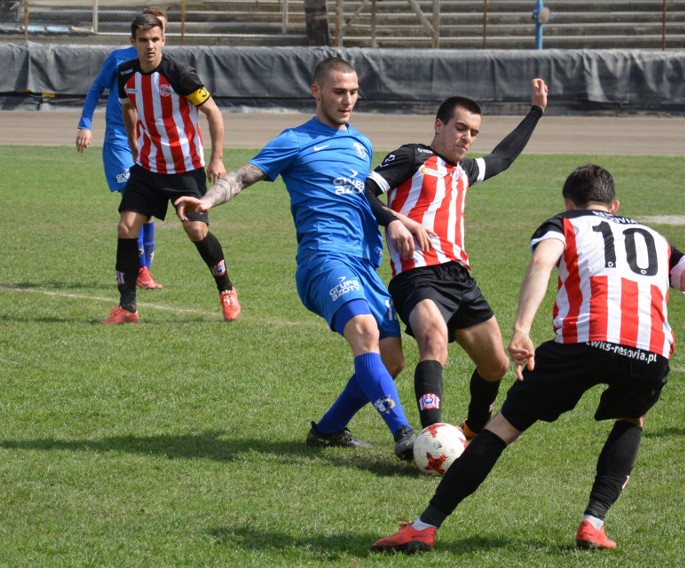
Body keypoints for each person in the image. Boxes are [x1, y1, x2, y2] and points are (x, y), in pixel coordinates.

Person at [372, 163, 685, 553]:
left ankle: (424, 527)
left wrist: (521, 329)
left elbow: (541, 263)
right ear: (614, 205)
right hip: (649, 351)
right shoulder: (656, 239)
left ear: (569, 203)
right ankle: (593, 523)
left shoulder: (564, 224)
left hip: (584, 341)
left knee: (501, 429)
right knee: (632, 419)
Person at [174, 57, 417, 460]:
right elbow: (241, 176)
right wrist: (206, 199)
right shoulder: (294, 140)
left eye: (354, 92)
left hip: (364, 262)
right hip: (324, 259)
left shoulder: (361, 144)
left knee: (390, 362)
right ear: (316, 91)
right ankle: (404, 435)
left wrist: (393, 220)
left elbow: (364, 199)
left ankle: (328, 430)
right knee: (364, 331)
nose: (348, 100)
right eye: (339, 92)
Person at [364, 79, 548, 439]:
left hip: (461, 279)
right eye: (460, 128)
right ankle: (433, 436)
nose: (466, 138)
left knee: (496, 366)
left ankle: (474, 427)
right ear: (439, 125)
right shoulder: (412, 156)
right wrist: (395, 221)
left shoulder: (464, 172)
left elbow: (503, 157)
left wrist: (536, 111)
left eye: (473, 133)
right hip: (417, 274)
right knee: (433, 339)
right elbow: (365, 190)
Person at [101, 13, 240, 324]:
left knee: (196, 230)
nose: (149, 45)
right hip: (148, 167)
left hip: (186, 168)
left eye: (155, 39)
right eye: (143, 40)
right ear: (132, 42)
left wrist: (216, 158)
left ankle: (226, 288)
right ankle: (127, 307)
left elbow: (213, 112)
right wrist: (134, 141)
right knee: (126, 228)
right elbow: (128, 107)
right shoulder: (125, 73)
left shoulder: (180, 74)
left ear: (164, 40)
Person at [76, 6, 167, 290]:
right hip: (119, 139)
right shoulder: (119, 60)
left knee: (148, 208)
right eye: (146, 35)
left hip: (149, 141)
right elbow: (96, 89)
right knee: (134, 199)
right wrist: (85, 124)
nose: (151, 41)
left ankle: (144, 271)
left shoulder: (165, 65)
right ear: (136, 37)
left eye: (159, 34)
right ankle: (141, 271)